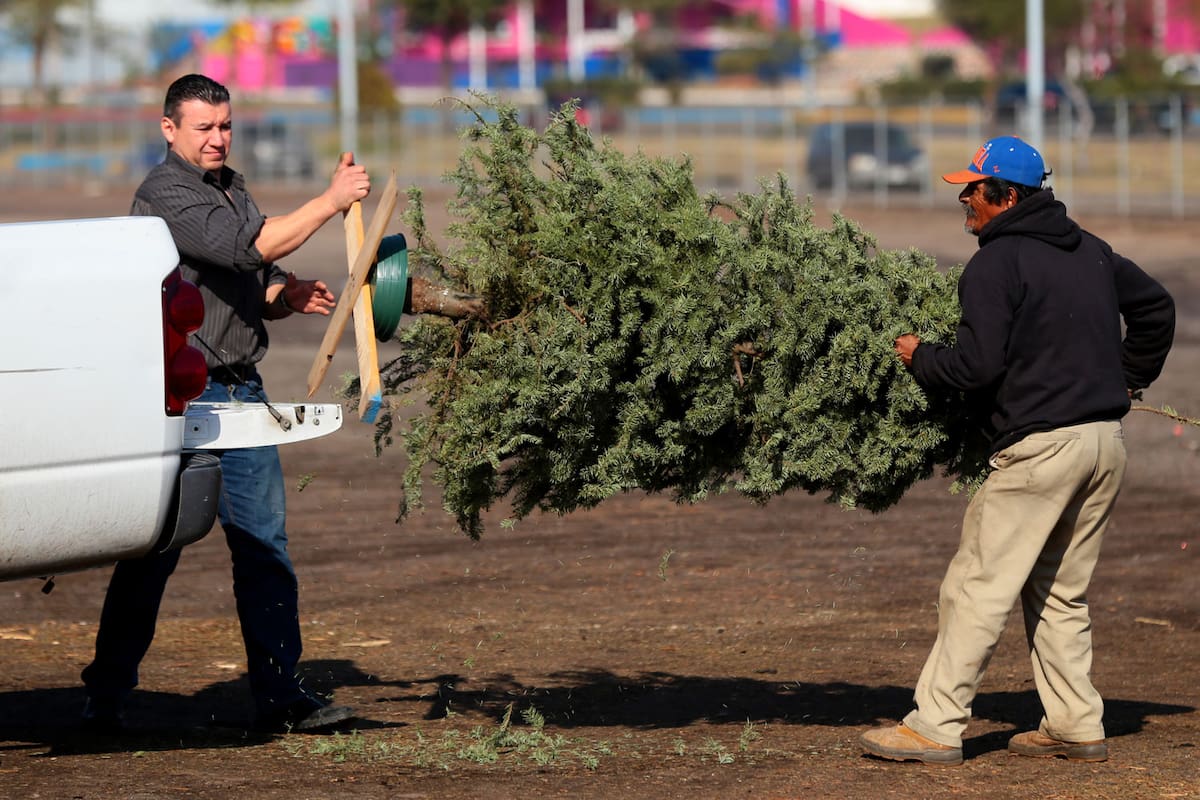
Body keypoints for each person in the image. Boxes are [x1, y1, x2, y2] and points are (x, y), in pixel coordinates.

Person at [860, 136, 1175, 766]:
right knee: (1060, 590)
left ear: (1005, 195)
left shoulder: (994, 264)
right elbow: (1156, 309)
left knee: (977, 586)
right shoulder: (1090, 251)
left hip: (1040, 454)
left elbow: (976, 368)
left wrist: (919, 356)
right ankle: (1076, 723)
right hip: (1103, 445)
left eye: (972, 188)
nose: (963, 199)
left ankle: (936, 725)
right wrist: (1125, 378)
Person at [80, 73, 372, 734]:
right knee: (152, 551)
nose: (218, 138)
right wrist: (329, 201)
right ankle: (106, 693)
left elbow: (251, 272)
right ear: (169, 129)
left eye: (226, 126)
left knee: (264, 546)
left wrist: (285, 295)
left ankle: (283, 698)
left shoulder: (231, 186)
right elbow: (244, 245)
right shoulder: (164, 192)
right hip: (182, 395)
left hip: (244, 390)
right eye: (205, 127)